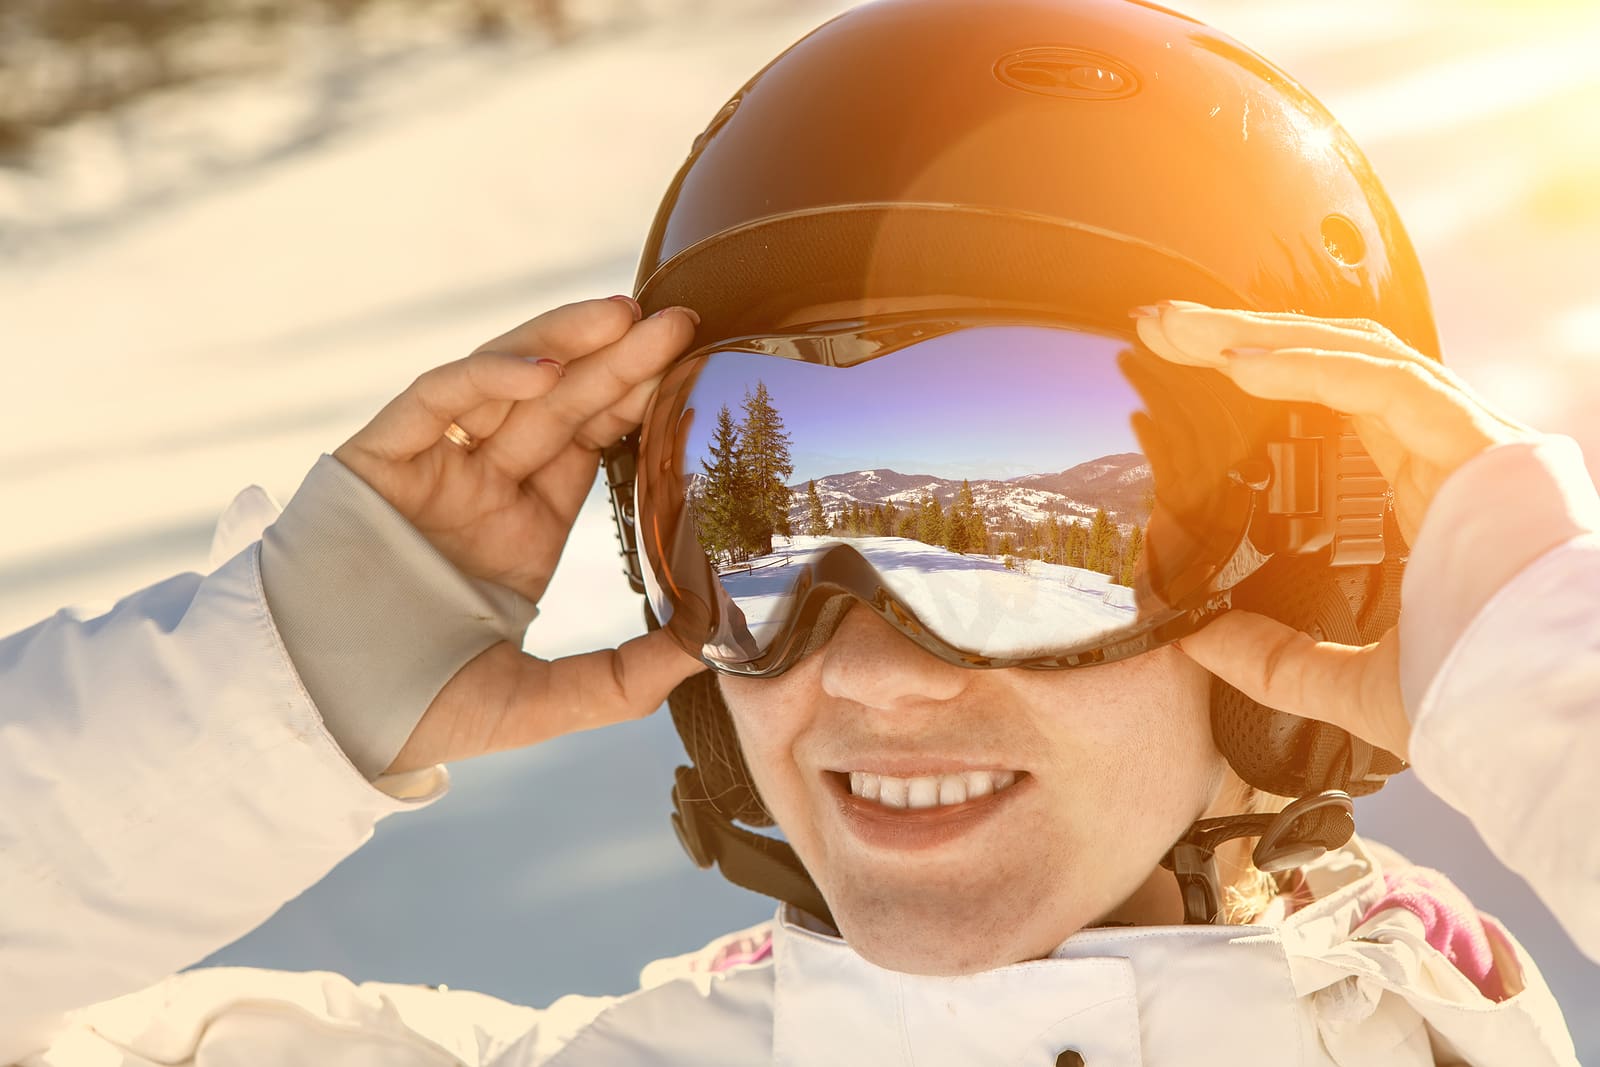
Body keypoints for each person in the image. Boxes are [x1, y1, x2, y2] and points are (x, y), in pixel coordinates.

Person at [3, 0, 1596, 1064]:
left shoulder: (1459, 1029)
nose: (876, 676)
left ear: (1299, 565)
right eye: (770, 520)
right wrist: (277, 691)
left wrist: (1548, 688)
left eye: (1027, 533)